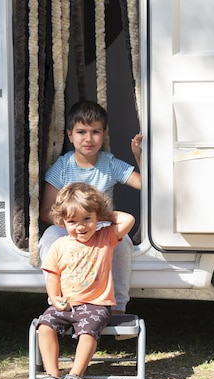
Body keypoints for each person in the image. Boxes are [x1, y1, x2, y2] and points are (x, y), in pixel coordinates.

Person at [35, 182, 135, 379]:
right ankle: (52, 376)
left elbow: (128, 220)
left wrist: (102, 215)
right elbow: (53, 276)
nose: (80, 227)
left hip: (95, 304)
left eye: (86, 219)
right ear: (62, 222)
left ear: (96, 217)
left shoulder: (105, 238)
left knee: (88, 333)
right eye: (72, 221)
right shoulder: (59, 245)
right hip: (66, 304)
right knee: (44, 326)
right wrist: (54, 297)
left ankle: (74, 378)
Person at [39, 100, 142, 313]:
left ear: (104, 134)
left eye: (95, 131)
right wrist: (75, 225)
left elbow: (145, 184)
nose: (88, 138)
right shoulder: (63, 166)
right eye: (81, 132)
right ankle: (58, 302)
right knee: (49, 236)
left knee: (123, 244)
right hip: (71, 228)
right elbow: (46, 211)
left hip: (102, 227)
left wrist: (138, 156)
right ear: (69, 135)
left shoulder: (109, 163)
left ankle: (118, 308)